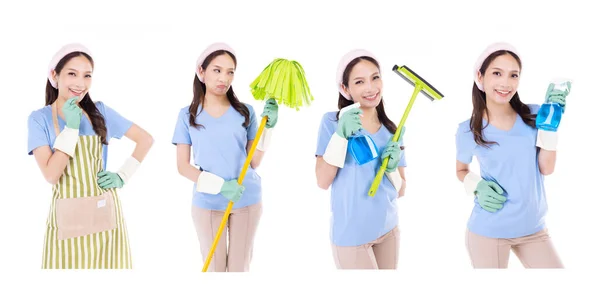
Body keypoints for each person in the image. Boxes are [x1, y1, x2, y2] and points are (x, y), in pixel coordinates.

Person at [27, 43, 154, 269]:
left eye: (87, 76)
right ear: (54, 75)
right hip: (66, 226)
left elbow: (146, 139)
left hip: (105, 218)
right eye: (72, 74)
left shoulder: (100, 112)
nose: (80, 83)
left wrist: (123, 175)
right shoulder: (40, 119)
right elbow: (51, 175)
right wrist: (72, 128)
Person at [455, 42, 566, 268]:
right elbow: (461, 169)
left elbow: (547, 168)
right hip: (489, 230)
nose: (506, 83)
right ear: (480, 76)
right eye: (497, 73)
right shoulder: (467, 130)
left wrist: (550, 127)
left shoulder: (535, 116)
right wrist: (476, 184)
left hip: (533, 228)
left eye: (513, 75)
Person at [172, 42, 278, 272]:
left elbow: (254, 162)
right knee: (215, 268)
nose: (224, 78)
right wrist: (220, 186)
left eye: (230, 72)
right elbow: (182, 166)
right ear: (201, 72)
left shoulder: (245, 111)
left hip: (246, 198)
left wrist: (268, 128)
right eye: (217, 70)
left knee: (239, 268)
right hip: (208, 203)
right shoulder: (187, 115)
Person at [315, 49, 407, 269]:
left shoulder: (393, 130)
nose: (370, 88)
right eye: (359, 82)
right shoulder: (332, 122)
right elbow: (322, 181)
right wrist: (340, 136)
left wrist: (392, 168)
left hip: (388, 229)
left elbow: (401, 190)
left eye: (375, 77)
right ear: (345, 89)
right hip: (350, 234)